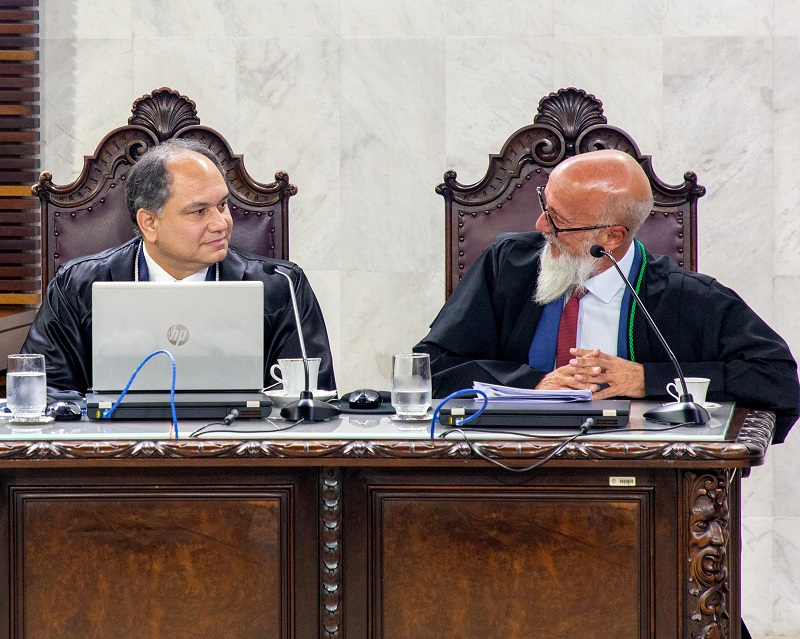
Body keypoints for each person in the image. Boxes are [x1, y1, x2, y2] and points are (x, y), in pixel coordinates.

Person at [414, 149, 799, 444]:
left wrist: (646, 379)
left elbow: (777, 380)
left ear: (612, 236)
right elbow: (429, 368)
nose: (539, 225)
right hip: (502, 465)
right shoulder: (507, 266)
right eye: (544, 206)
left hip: (636, 481)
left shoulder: (686, 298)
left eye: (558, 221)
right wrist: (534, 384)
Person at [23, 138, 336, 394]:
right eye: (199, 211)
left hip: (239, 458)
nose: (221, 224)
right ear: (150, 223)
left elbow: (312, 396)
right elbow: (43, 394)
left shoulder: (282, 286)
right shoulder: (76, 287)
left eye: (223, 205)